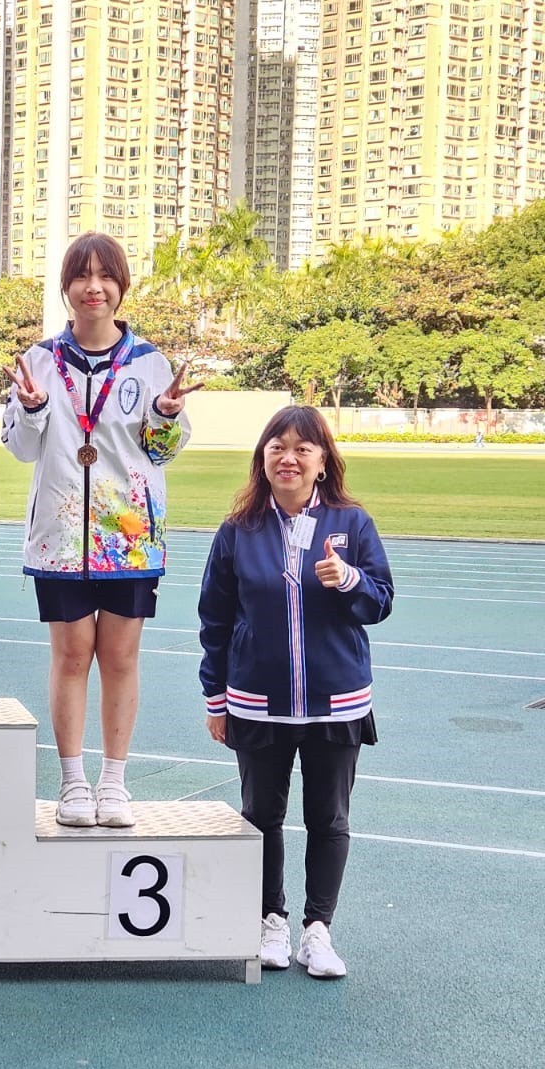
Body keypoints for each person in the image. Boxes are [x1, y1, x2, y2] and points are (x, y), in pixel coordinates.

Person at [2, 233, 198, 827]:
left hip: (129, 538)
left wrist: (165, 416)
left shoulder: (149, 363)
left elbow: (162, 452)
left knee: (119, 656)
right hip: (61, 540)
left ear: (121, 286)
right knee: (70, 657)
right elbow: (20, 447)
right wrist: (31, 409)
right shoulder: (40, 361)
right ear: (66, 287)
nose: (94, 288)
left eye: (105, 276)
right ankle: (72, 783)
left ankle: (114, 782)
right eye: (82, 276)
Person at [196, 406, 394, 979]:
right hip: (257, 701)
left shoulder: (351, 523)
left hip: (337, 699)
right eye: (277, 447)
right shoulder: (238, 530)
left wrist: (349, 580)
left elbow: (380, 601)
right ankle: (271, 922)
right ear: (262, 459)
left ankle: (318, 931)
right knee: (261, 815)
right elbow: (214, 619)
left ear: (323, 461)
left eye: (303, 449)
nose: (289, 458)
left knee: (329, 818)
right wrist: (216, 699)